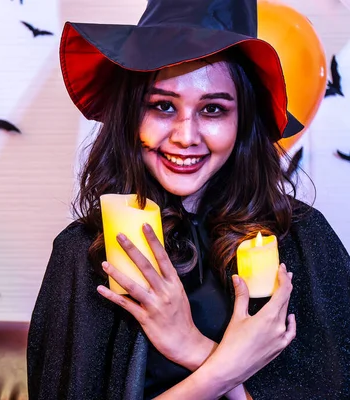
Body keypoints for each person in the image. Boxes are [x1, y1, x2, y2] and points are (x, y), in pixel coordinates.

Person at [27, 0, 350, 399]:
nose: (185, 136)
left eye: (213, 109)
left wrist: (191, 346)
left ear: (242, 121)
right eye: (162, 106)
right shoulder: (84, 252)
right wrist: (218, 370)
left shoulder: (304, 241)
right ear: (132, 114)